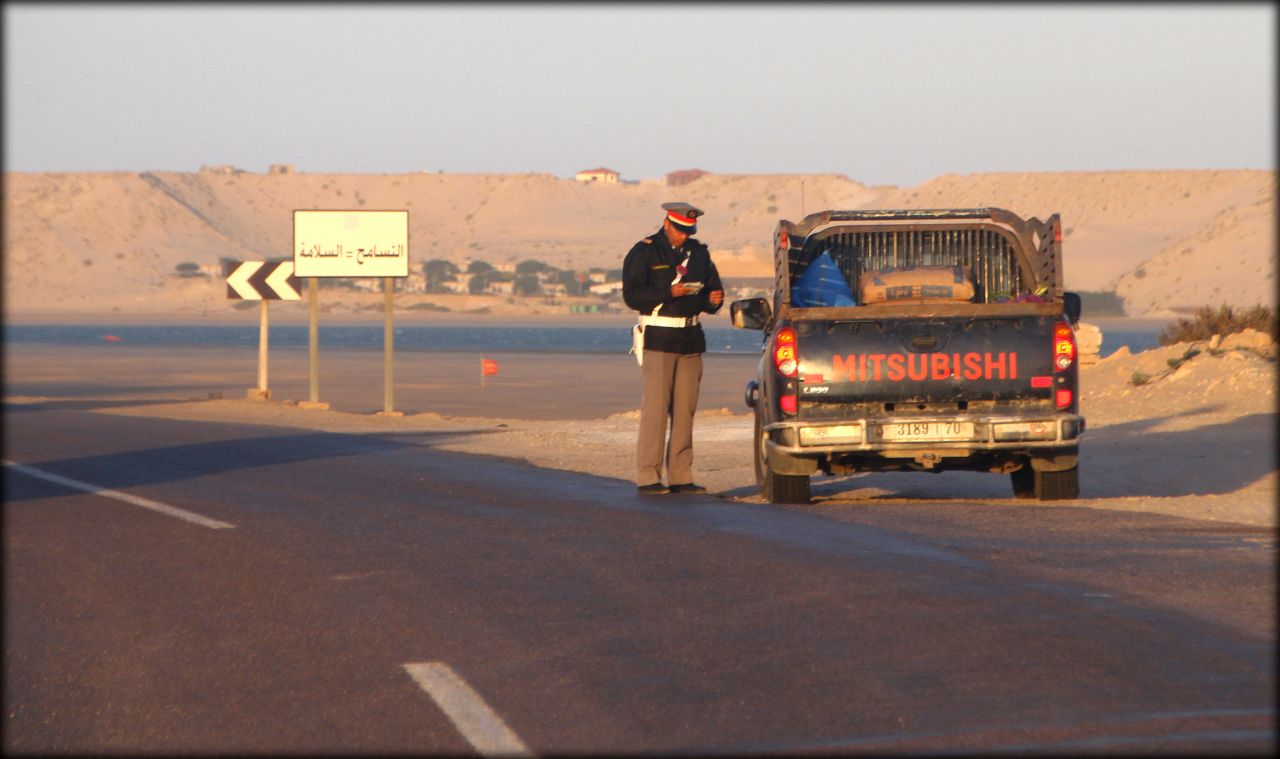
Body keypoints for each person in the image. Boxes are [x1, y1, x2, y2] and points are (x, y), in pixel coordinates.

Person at [622, 202, 724, 495]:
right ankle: (648, 476)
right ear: (667, 223)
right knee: (655, 411)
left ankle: (681, 475)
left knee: (685, 411)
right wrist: (669, 292)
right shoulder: (644, 251)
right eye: (680, 230)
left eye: (688, 231)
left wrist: (714, 300)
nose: (683, 235)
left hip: (691, 338)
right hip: (659, 337)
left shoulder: (700, 253)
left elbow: (711, 293)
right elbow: (632, 295)